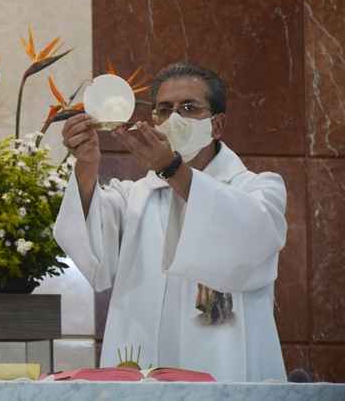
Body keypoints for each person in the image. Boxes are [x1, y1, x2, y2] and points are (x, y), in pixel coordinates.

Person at [55, 62, 287, 381]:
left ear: (218, 125)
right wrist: (86, 164)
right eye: (164, 110)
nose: (174, 118)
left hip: (226, 372)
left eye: (189, 108)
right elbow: (92, 254)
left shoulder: (258, 189)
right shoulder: (132, 197)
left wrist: (172, 169)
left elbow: (249, 242)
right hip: (141, 370)